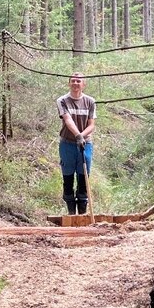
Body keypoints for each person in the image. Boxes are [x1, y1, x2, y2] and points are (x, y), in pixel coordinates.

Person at [56, 72, 96, 215]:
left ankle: (83, 214)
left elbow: (91, 125)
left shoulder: (90, 101)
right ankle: (72, 213)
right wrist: (77, 135)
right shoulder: (62, 100)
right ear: (69, 83)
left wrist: (82, 136)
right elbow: (68, 120)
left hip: (86, 144)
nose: (75, 83)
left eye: (78, 81)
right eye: (73, 81)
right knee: (68, 177)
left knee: (83, 177)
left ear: (83, 84)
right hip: (67, 144)